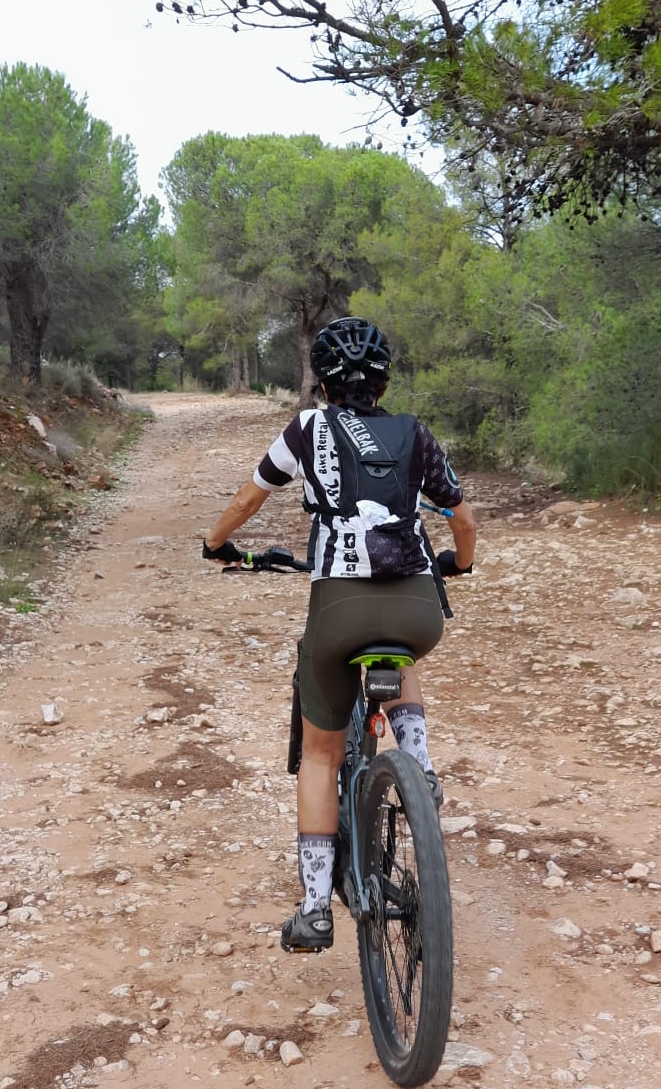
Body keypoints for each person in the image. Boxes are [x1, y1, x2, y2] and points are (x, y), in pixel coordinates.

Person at [201, 316, 477, 953]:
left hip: (339, 610)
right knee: (402, 652)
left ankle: (315, 909)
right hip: (417, 610)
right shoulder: (416, 433)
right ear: (384, 382)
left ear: (323, 384)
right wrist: (459, 566)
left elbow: (248, 501)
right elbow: (462, 520)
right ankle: (420, 765)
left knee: (322, 756)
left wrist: (216, 544)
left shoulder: (307, 429)